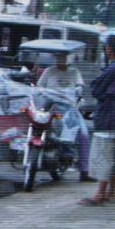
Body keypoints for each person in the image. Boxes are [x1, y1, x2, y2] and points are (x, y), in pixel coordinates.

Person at [80, 34, 115, 206]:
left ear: (110, 49)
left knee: (104, 156)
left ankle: (100, 194)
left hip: (108, 115)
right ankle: (110, 192)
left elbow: (97, 88)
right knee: (112, 156)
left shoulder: (114, 69)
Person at [37, 52, 94, 182]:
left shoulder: (75, 72)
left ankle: (84, 171)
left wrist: (78, 90)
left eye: (63, 57)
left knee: (84, 135)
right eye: (58, 57)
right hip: (51, 108)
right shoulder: (49, 71)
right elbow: (39, 88)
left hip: (69, 111)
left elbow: (80, 86)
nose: (60, 60)